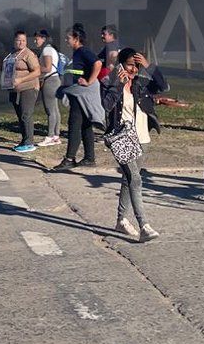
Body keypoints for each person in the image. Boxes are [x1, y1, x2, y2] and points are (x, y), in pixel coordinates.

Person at [102, 48, 167, 243]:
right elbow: (106, 106)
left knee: (129, 180)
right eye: (130, 64)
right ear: (121, 65)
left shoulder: (142, 84)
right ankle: (144, 225)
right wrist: (118, 85)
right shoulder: (110, 82)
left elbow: (163, 86)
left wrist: (149, 66)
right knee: (136, 180)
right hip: (121, 138)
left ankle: (121, 220)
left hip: (142, 137)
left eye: (136, 65)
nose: (133, 69)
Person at [51, 24, 103, 171]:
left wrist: (89, 81)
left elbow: (97, 64)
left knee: (74, 124)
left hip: (81, 94)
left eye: (68, 38)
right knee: (85, 125)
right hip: (77, 93)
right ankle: (89, 158)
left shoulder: (83, 51)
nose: (66, 41)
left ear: (76, 39)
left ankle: (69, 159)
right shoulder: (77, 53)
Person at [3, 31, 42, 154]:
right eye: (19, 40)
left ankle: (29, 142)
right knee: (20, 116)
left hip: (28, 88)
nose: (21, 42)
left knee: (26, 114)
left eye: (24, 40)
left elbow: (37, 72)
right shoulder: (12, 54)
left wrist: (21, 79)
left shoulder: (28, 54)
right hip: (15, 89)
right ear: (14, 41)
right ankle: (24, 140)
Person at [32, 29, 62, 147]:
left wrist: (35, 68)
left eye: (37, 38)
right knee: (55, 109)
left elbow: (48, 68)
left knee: (50, 110)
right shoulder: (50, 49)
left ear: (43, 38)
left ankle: (49, 136)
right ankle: (56, 136)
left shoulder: (47, 50)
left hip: (50, 80)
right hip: (54, 80)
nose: (35, 41)